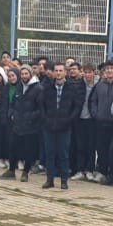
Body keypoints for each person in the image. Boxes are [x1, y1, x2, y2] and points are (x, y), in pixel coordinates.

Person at [38, 61, 82, 190]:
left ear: (65, 72)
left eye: (60, 71)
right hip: (49, 126)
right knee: (50, 153)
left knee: (63, 154)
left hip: (65, 126)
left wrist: (69, 120)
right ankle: (49, 179)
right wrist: (45, 119)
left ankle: (64, 180)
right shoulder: (47, 87)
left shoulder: (72, 88)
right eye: (56, 71)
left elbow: (77, 107)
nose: (58, 73)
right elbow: (41, 104)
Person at [7, 66, 42, 182]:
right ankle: (11, 171)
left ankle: (25, 172)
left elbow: (40, 109)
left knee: (29, 150)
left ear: (30, 74)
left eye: (26, 74)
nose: (24, 76)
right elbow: (12, 102)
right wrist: (11, 114)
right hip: (17, 124)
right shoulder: (19, 86)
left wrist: (30, 117)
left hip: (30, 126)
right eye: (22, 74)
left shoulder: (38, 88)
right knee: (12, 147)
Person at [89, 61, 113, 182]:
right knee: (101, 149)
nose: (109, 71)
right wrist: (95, 114)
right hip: (100, 122)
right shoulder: (99, 85)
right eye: (107, 69)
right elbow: (93, 101)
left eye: (111, 68)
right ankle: (102, 172)